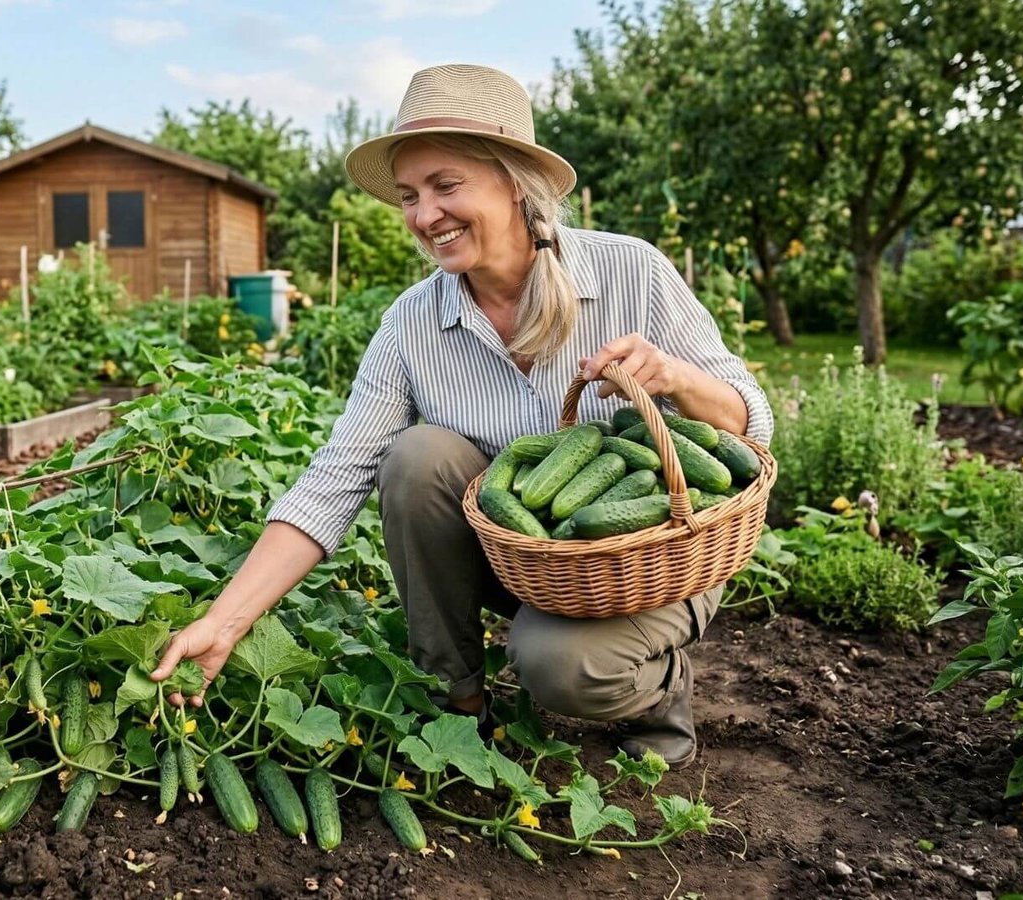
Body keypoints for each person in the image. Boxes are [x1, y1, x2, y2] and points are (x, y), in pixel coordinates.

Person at [149, 63, 774, 767]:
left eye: (446, 186)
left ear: (515, 182)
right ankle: (457, 706)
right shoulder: (412, 322)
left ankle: (659, 694)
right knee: (418, 458)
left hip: (653, 563)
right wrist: (224, 624)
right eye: (411, 196)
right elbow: (335, 480)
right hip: (522, 561)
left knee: (561, 667)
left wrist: (678, 378)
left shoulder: (633, 270)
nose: (423, 216)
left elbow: (753, 430)